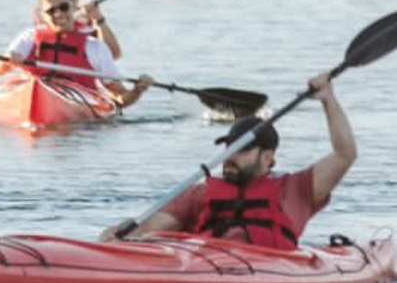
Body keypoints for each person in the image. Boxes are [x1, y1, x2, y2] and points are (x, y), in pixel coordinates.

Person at [107, 75, 356, 248]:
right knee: (114, 233)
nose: (230, 156)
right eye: (228, 148)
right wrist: (121, 238)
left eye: (242, 149)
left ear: (268, 158)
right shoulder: (201, 194)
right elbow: (157, 227)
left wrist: (328, 99)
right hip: (203, 265)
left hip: (269, 273)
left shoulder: (295, 190)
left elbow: (345, 154)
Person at [3, 0, 150, 108]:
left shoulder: (94, 47)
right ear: (42, 15)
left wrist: (137, 91)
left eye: (63, 7)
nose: (58, 14)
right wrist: (8, 61)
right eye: (51, 10)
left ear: (74, 7)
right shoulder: (29, 37)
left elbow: (119, 99)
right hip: (34, 87)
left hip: (78, 98)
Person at [51, 0, 123, 63]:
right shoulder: (43, 20)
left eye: (64, 6)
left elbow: (114, 55)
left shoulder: (87, 25)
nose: (59, 11)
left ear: (75, 2)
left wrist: (99, 19)